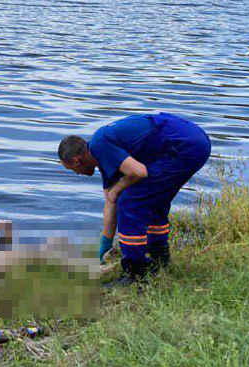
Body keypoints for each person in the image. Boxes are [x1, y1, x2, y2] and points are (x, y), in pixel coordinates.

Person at [59, 113, 211, 286]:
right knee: (154, 199)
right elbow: (110, 201)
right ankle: (159, 260)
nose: (76, 174)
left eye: (71, 169)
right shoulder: (102, 153)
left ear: (75, 160)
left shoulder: (101, 145)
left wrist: (117, 189)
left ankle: (136, 273)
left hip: (184, 145)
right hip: (194, 141)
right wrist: (104, 245)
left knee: (130, 202)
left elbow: (139, 172)